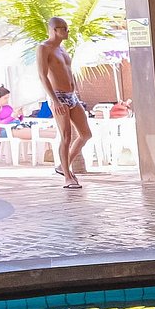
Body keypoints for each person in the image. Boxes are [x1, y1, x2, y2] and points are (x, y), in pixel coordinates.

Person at [37, 17, 92, 189]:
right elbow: (42, 76)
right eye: (65, 28)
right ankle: (68, 177)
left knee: (85, 134)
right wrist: (54, 100)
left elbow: (68, 72)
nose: (68, 31)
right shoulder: (44, 48)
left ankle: (63, 166)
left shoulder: (63, 49)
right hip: (58, 96)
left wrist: (74, 91)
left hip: (71, 95)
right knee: (66, 136)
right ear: (55, 30)